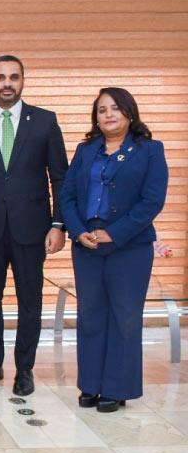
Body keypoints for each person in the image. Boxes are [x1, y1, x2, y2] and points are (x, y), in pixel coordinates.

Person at [0, 55, 68, 396]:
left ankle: (25, 369)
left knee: (30, 301)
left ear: (23, 80)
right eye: (0, 77)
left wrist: (59, 223)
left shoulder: (45, 121)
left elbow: (60, 177)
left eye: (13, 77)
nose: (7, 83)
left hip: (32, 228)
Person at [60, 87, 167, 413]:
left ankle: (117, 389)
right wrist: (78, 232)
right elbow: (67, 196)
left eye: (115, 108)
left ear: (129, 113)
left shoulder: (149, 150)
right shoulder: (85, 150)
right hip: (87, 245)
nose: (108, 115)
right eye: (102, 110)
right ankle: (91, 384)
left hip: (129, 247)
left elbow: (152, 201)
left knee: (125, 318)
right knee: (90, 316)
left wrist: (114, 234)